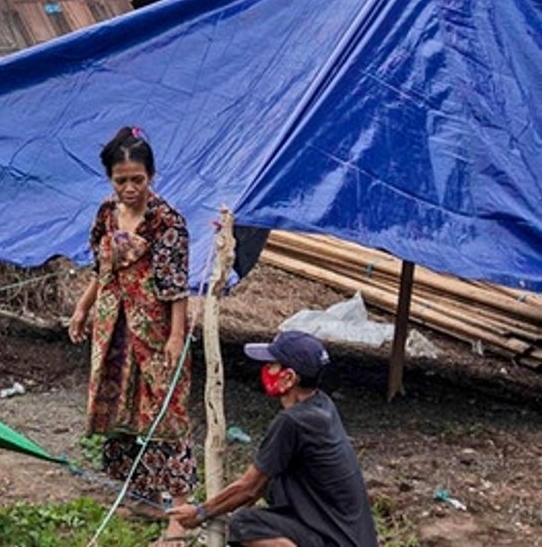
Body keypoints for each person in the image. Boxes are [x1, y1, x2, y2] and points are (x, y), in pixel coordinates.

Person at [68, 126, 195, 507]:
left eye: (137, 179)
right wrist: (83, 307)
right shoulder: (107, 215)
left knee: (163, 403)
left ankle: (180, 498)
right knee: (119, 400)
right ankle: (138, 492)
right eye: (121, 180)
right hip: (113, 324)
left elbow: (177, 286)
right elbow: (102, 270)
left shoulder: (166, 221)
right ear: (110, 179)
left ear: (151, 177)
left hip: (153, 325)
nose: (130, 188)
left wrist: (175, 337)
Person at [167, 331, 378, 546]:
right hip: (348, 535)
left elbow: (249, 488)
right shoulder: (322, 405)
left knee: (244, 524)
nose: (267, 369)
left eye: (273, 364)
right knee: (272, 486)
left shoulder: (293, 422)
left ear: (288, 377)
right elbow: (258, 486)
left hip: (336, 540)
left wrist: (200, 512)